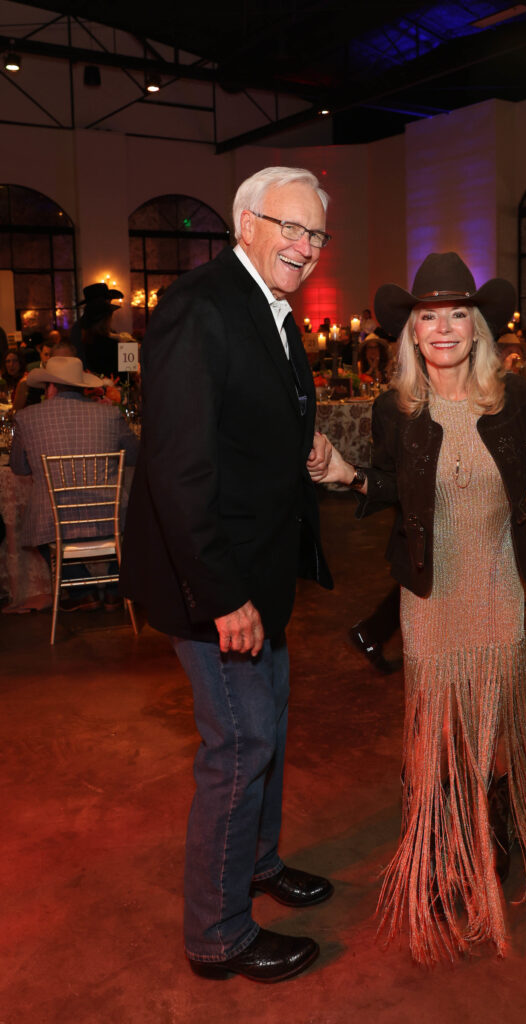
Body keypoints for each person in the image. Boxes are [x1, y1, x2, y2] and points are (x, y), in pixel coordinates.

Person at [313, 252, 526, 963]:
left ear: (476, 326)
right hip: (429, 587)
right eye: (428, 316)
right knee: (434, 715)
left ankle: (489, 831)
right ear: (411, 331)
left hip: (494, 578)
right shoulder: (394, 407)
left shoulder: (511, 398)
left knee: (488, 710)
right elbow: (391, 487)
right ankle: (436, 841)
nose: (442, 328)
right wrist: (343, 476)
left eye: (456, 314)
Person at [120, 166, 335, 984]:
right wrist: (222, 599)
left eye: (315, 235)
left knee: (268, 730)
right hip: (213, 583)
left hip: (259, 572)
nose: (305, 247)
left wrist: (302, 448)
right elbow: (176, 469)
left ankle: (257, 865)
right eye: (291, 227)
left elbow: (248, 423)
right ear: (246, 223)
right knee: (240, 746)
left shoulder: (272, 312)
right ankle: (217, 932)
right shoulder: (199, 305)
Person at [10, 355, 138, 612]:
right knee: (134, 525)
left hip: (54, 520)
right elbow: (135, 455)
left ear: (52, 387)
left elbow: (19, 468)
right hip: (109, 516)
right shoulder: (110, 414)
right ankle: (115, 590)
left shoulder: (26, 418)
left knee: (40, 531)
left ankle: (82, 591)